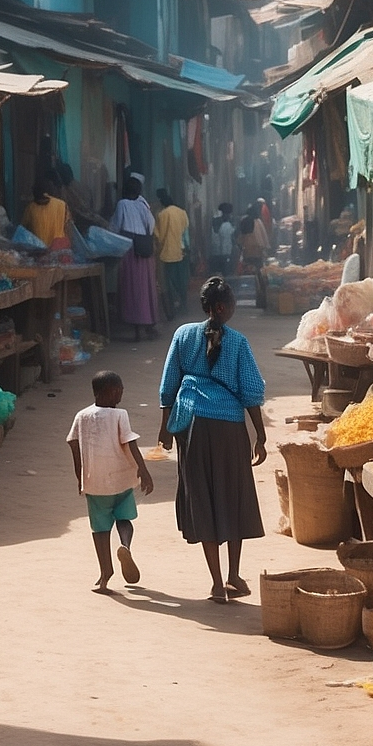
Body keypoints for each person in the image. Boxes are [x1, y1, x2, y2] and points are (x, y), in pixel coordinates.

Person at [158, 276, 268, 604]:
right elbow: (251, 392)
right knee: (232, 497)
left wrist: (164, 429)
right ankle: (234, 574)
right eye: (232, 302)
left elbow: (168, 386)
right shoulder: (237, 343)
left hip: (190, 425)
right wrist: (260, 435)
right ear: (221, 307)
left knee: (203, 499)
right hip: (229, 428)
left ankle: (218, 583)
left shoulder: (182, 334)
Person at [67, 370, 155, 593]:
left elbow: (73, 445)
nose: (121, 394)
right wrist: (144, 471)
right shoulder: (120, 415)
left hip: (95, 482)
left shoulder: (81, 416)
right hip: (122, 479)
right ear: (112, 391)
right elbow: (130, 443)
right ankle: (125, 545)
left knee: (100, 528)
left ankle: (105, 574)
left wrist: (80, 477)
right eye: (120, 390)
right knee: (124, 518)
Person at [110, 174, 158, 342]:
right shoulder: (143, 204)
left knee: (131, 288)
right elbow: (151, 225)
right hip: (144, 248)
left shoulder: (122, 204)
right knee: (146, 287)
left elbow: (115, 226)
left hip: (129, 249)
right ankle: (148, 323)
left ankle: (136, 328)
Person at [153, 189, 191, 318]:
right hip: (181, 251)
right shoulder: (182, 213)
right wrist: (187, 247)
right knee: (181, 278)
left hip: (166, 253)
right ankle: (184, 303)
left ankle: (172, 306)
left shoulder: (161, 214)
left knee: (169, 281)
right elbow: (185, 233)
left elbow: (157, 235)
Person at [20, 176, 70, 249]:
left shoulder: (31, 207)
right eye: (39, 200)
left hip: (43, 252)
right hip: (53, 252)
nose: (41, 202)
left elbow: (23, 230)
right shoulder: (62, 205)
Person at [211, 202, 237, 277]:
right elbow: (233, 237)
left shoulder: (216, 221)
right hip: (225, 251)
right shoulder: (228, 223)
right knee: (226, 272)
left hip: (218, 251)